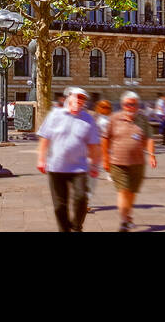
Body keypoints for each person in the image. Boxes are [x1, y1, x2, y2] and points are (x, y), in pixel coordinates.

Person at [36, 87, 101, 232]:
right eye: (77, 97)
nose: (79, 100)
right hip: (56, 167)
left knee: (81, 198)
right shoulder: (55, 115)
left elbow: (94, 145)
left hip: (79, 168)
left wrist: (95, 165)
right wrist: (41, 159)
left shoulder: (88, 119)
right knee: (60, 205)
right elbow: (45, 138)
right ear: (69, 98)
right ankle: (64, 229)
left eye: (82, 98)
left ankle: (77, 226)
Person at [103, 92, 157, 232]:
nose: (130, 107)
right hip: (117, 162)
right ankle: (124, 220)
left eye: (133, 104)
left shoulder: (142, 119)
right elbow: (105, 138)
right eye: (127, 104)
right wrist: (105, 158)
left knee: (132, 192)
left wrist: (152, 155)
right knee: (123, 191)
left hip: (137, 162)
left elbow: (150, 138)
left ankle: (128, 215)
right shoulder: (114, 119)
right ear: (122, 105)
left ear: (137, 105)